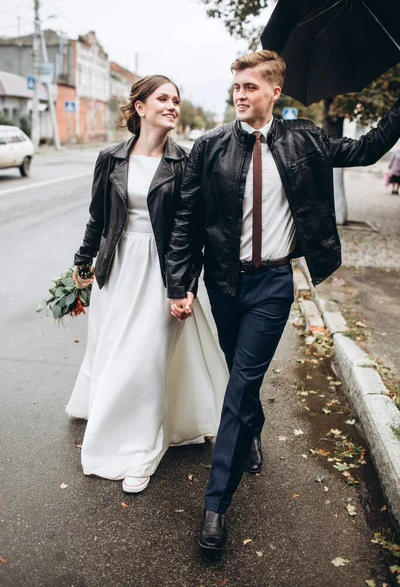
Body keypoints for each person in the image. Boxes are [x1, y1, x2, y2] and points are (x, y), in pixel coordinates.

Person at [166, 50, 400, 550]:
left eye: (251, 86)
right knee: (238, 379)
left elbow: (365, 149)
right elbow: (187, 220)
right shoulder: (208, 146)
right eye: (237, 86)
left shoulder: (306, 140)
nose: (240, 94)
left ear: (275, 92)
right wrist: (179, 284)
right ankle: (250, 430)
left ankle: (215, 507)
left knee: (240, 385)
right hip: (223, 282)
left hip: (273, 284)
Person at [66, 75, 228, 494]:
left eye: (177, 99)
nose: (173, 105)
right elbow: (98, 218)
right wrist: (83, 262)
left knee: (147, 359)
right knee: (113, 348)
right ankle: (112, 415)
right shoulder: (110, 157)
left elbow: (190, 232)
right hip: (118, 268)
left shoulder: (185, 161)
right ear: (140, 107)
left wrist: (184, 285)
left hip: (164, 270)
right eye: (163, 98)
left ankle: (138, 450)